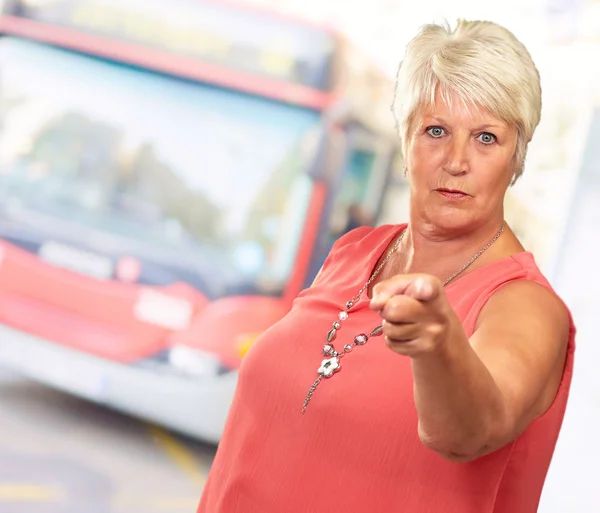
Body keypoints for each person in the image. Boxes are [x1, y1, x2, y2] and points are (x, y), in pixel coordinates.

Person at [197, 19, 575, 513]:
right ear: (406, 141)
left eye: (486, 138)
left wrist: (441, 345)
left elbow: (471, 431)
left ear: (516, 156)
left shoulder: (526, 305)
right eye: (436, 130)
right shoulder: (352, 252)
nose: (456, 160)